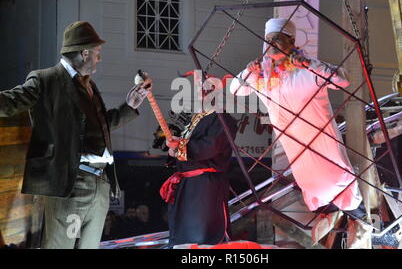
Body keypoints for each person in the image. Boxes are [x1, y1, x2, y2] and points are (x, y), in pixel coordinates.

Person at [0, 21, 151, 249]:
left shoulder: (90, 86)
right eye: (97, 53)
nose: (100, 58)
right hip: (71, 184)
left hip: (100, 184)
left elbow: (101, 126)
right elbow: (11, 101)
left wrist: (129, 106)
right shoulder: (46, 79)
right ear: (85, 52)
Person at [230, 18, 371, 248]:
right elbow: (235, 89)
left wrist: (308, 63)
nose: (271, 45)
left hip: (324, 149)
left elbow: (342, 79)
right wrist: (249, 70)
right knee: (317, 192)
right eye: (267, 41)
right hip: (300, 158)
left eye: (277, 39)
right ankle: (344, 226)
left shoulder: (306, 71)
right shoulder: (264, 79)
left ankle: (363, 224)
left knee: (340, 184)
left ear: (291, 42)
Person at [159, 71, 238, 248]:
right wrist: (174, 149)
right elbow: (185, 146)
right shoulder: (197, 118)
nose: (201, 93)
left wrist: (180, 147)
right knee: (183, 238)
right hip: (187, 185)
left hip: (205, 186)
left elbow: (209, 147)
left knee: (202, 236)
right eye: (199, 90)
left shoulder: (223, 119)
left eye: (205, 89)